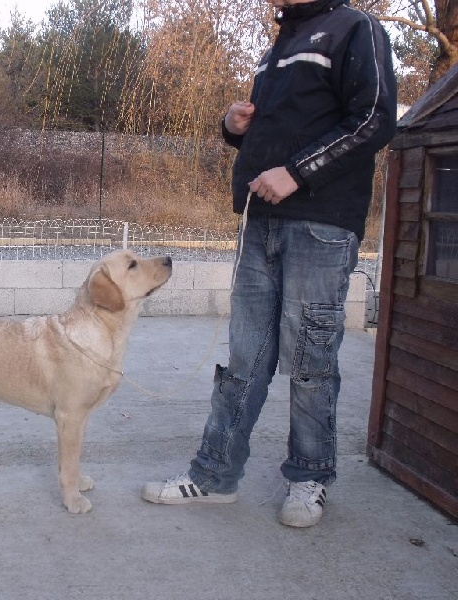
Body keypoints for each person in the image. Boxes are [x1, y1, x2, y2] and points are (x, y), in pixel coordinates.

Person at [142, 0, 398, 528]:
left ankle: (309, 478)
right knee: (244, 359)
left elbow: (374, 118)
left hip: (320, 222)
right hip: (260, 220)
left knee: (309, 360)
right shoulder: (279, 45)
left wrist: (299, 172)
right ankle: (213, 475)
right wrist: (232, 126)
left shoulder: (355, 28)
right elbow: (279, 127)